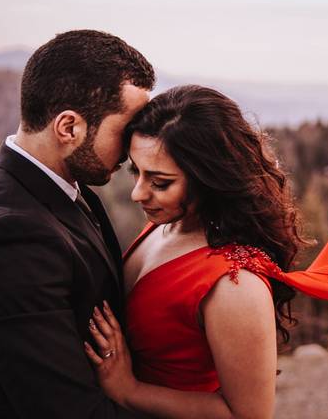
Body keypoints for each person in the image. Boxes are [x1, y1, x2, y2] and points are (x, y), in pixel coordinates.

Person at [0, 29, 156, 419]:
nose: (135, 147)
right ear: (69, 128)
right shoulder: (8, 239)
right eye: (126, 130)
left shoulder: (55, 187)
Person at [83, 84, 307, 419]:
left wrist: (130, 391)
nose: (138, 193)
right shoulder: (164, 224)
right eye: (136, 172)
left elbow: (248, 415)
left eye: (160, 183)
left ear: (208, 179)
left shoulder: (235, 285)